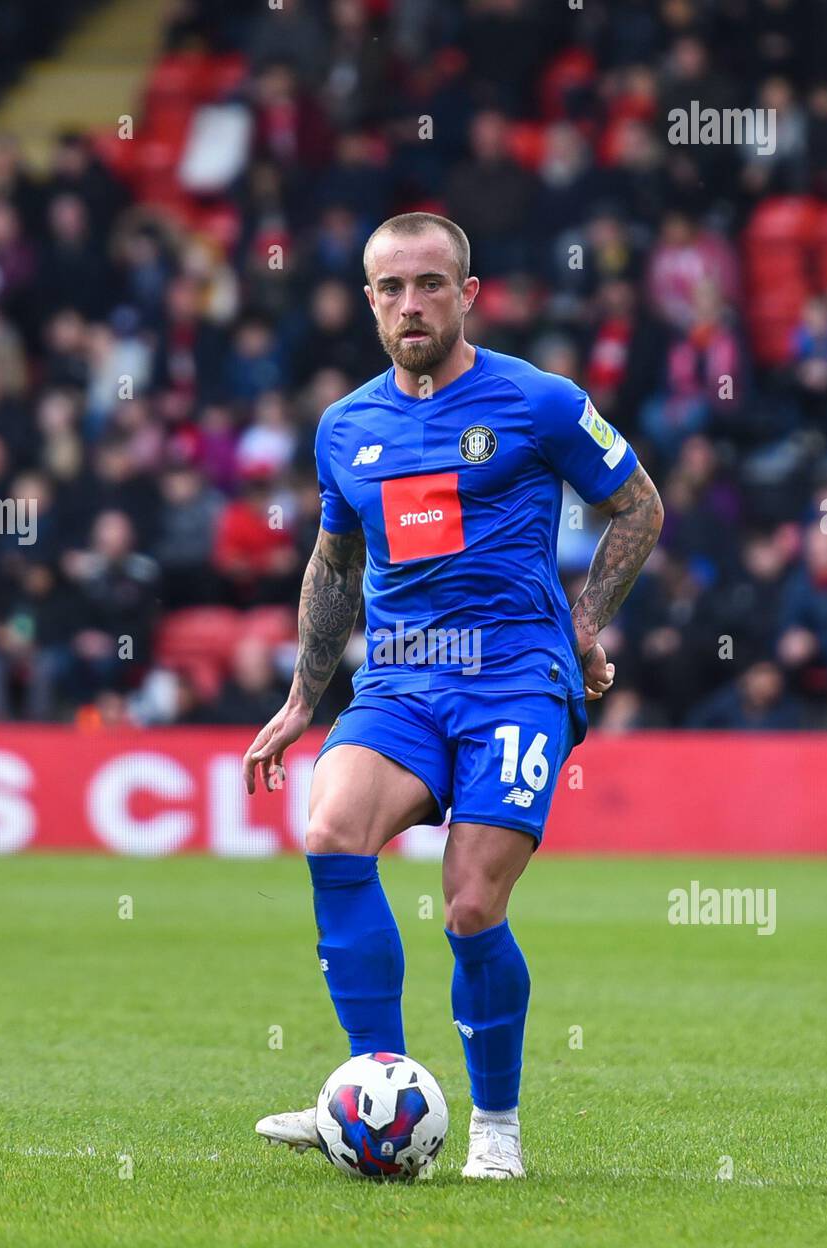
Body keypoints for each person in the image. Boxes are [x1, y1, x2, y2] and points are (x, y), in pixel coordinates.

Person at [242, 212, 663, 1178]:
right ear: (369, 302)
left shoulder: (539, 402)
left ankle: (496, 1129)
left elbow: (638, 503)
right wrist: (306, 698)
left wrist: (588, 619)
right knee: (332, 827)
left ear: (468, 294)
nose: (411, 304)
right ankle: (370, 1091)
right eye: (390, 289)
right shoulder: (346, 426)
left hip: (516, 677)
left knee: (470, 905)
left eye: (431, 284)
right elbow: (334, 560)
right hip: (398, 679)